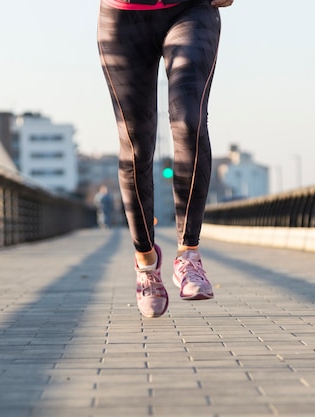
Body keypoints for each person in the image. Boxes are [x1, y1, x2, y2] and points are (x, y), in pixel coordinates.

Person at [97, 0, 234, 318]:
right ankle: (146, 263)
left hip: (190, 8)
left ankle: (189, 255)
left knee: (189, 120)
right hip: (123, 15)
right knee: (135, 145)